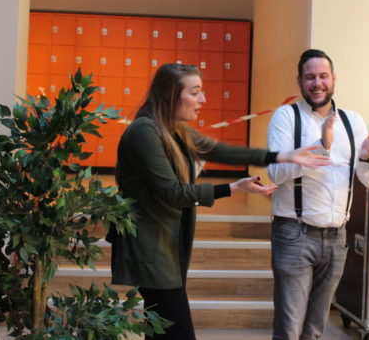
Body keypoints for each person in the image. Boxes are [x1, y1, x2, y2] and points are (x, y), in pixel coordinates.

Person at [108, 63, 330, 340]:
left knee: (162, 332)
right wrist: (232, 188)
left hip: (166, 247)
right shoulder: (145, 132)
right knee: (177, 333)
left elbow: (222, 151)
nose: (203, 99)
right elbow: (174, 193)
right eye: (195, 92)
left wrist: (282, 156)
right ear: (170, 95)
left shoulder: (174, 130)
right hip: (151, 251)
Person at [266, 49, 369, 340]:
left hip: (336, 238)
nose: (317, 83)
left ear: (333, 79)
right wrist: (322, 147)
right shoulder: (286, 117)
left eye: (323, 76)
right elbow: (275, 173)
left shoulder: (352, 121)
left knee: (315, 330)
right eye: (310, 77)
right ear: (299, 81)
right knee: (289, 328)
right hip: (294, 233)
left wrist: (366, 158)